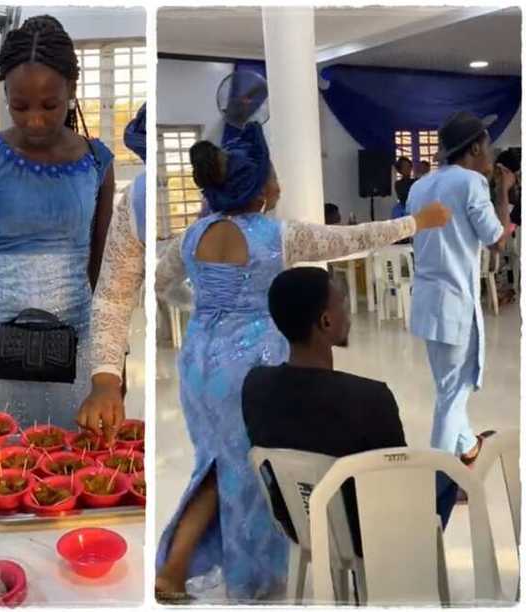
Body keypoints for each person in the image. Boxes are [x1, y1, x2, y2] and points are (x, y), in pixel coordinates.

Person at [152, 121, 451, 602]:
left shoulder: (193, 235)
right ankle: (250, 582)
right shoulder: (276, 236)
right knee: (248, 469)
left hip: (198, 362)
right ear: (258, 191)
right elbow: (351, 240)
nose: (281, 185)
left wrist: (201, 309)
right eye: (274, 177)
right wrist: (418, 223)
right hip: (249, 365)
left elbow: (162, 286)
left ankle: (178, 567)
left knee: (213, 461)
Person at [0, 15, 115, 429]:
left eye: (49, 106)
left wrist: (111, 366)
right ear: (5, 94)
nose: (34, 120)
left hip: (79, 345)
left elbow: (105, 275)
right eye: (19, 106)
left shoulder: (95, 162)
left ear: (71, 89)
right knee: (6, 462)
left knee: (71, 468)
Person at [242, 268, 457, 558]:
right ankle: (412, 569)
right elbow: (398, 480)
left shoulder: (255, 385)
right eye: (342, 303)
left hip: (300, 525)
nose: (348, 312)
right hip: (367, 535)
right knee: (447, 475)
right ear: (326, 321)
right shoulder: (369, 398)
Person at [408, 111, 515, 462]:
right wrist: (503, 191)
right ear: (472, 149)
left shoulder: (419, 186)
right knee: (453, 395)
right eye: (487, 147)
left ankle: (467, 447)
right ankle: (438, 478)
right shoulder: (470, 183)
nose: (490, 155)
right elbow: (497, 240)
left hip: (426, 301)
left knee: (447, 387)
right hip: (454, 302)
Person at [77, 104, 146, 441]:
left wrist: (110, 371)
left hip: (86, 322)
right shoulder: (138, 199)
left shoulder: (96, 161)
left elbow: (108, 284)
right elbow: (114, 297)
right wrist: (107, 374)